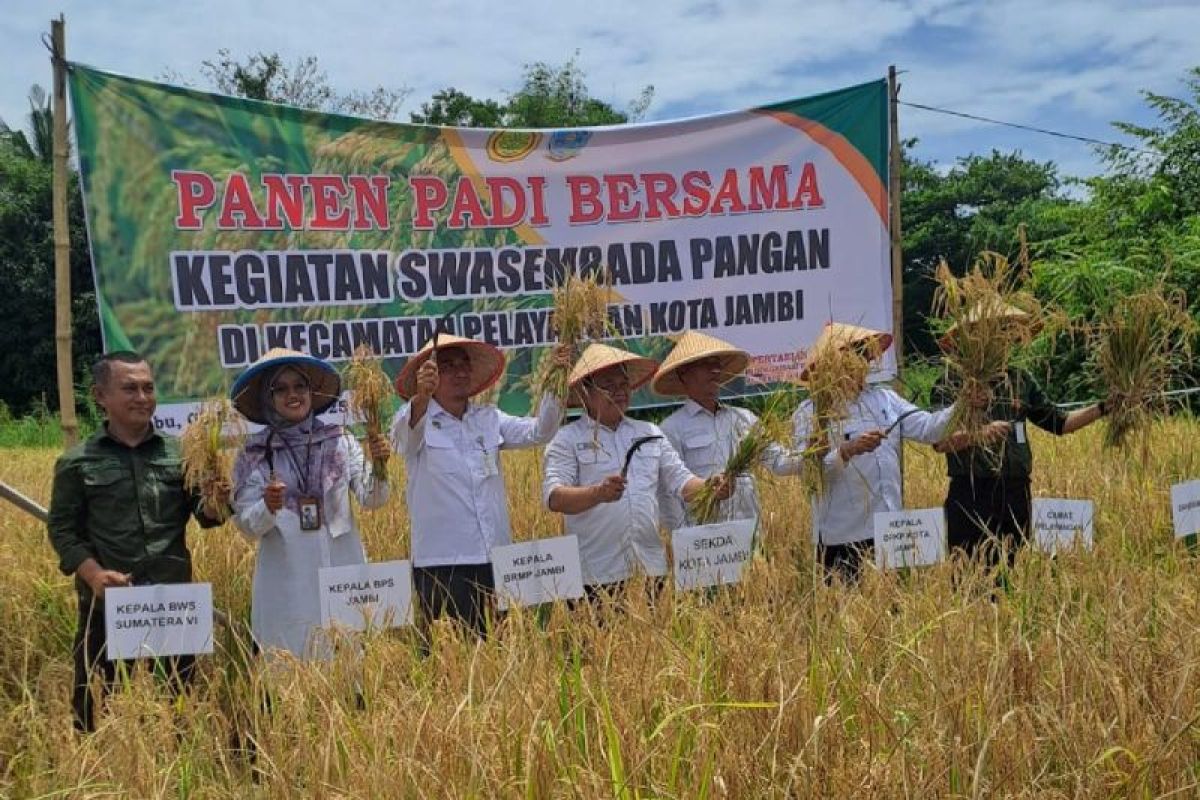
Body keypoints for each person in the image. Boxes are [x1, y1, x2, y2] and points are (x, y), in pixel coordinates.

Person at [46, 351, 229, 733]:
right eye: (130, 389)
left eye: (148, 388)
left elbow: (209, 516)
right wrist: (94, 575)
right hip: (108, 605)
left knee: (180, 708)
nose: (143, 397)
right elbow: (62, 530)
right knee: (96, 709)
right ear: (100, 396)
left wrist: (218, 498)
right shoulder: (77, 462)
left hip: (172, 602)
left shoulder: (181, 454)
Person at [390, 334, 569, 639]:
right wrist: (421, 398)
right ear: (429, 374)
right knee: (450, 656)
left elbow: (541, 432)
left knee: (499, 649)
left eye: (464, 365)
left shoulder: (489, 418)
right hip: (444, 564)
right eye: (448, 366)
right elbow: (402, 441)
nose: (459, 372)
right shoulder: (413, 418)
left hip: (494, 559)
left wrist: (557, 379)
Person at [230, 348, 390, 660]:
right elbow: (247, 526)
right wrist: (267, 506)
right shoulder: (255, 455)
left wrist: (381, 467)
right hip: (288, 581)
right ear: (267, 398)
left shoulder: (340, 441)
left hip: (342, 572)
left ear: (311, 392)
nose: (293, 395)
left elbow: (373, 499)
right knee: (290, 665)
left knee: (348, 664)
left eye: (299, 386)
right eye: (281, 389)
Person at [543, 343, 731, 600]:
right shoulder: (566, 439)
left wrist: (711, 487)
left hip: (649, 568)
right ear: (585, 392)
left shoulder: (649, 432)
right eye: (608, 385)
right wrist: (598, 493)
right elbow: (555, 497)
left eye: (623, 384)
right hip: (595, 574)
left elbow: (682, 482)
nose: (619, 391)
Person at [931, 307, 1107, 567]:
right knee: (968, 572)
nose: (1000, 340)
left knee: (1013, 571)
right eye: (988, 334)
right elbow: (940, 442)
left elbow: (1060, 423)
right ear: (970, 339)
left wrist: (1103, 407)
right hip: (971, 492)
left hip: (1015, 492)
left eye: (1004, 333)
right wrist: (979, 433)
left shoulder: (1020, 380)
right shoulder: (952, 383)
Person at [792, 323, 954, 582]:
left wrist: (963, 403)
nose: (861, 364)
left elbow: (929, 429)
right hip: (843, 535)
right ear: (831, 365)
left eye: (864, 355)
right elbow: (809, 473)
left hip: (890, 529)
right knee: (846, 604)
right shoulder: (811, 412)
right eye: (851, 357)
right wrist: (847, 450)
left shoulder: (885, 399)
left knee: (896, 602)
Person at [652, 330, 799, 532]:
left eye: (717, 365)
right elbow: (668, 492)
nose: (715, 371)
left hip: (748, 530)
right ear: (684, 373)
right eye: (706, 364)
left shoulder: (743, 418)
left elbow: (778, 462)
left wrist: (814, 453)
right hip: (704, 536)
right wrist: (683, 537)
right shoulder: (671, 429)